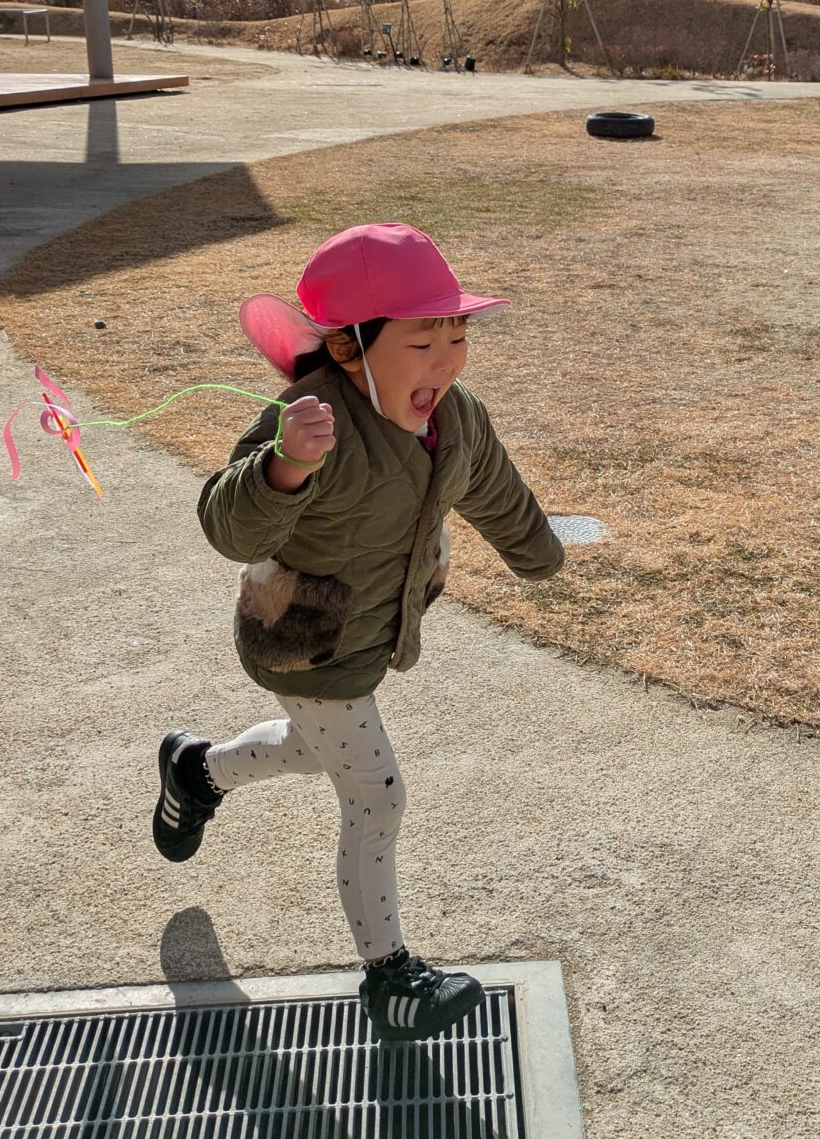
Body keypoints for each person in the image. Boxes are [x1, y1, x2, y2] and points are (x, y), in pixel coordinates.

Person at [153, 223, 565, 1044]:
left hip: (376, 629)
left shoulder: (456, 417)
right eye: (422, 341)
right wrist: (284, 468)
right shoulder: (308, 422)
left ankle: (196, 771)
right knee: (376, 794)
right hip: (304, 640)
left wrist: (538, 554)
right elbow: (227, 527)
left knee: (315, 749)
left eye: (456, 336)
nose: (446, 360)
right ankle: (390, 976)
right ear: (349, 349)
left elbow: (490, 485)